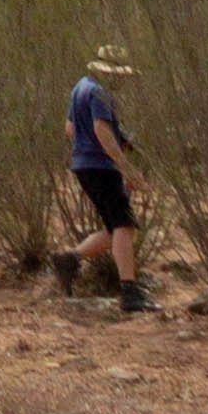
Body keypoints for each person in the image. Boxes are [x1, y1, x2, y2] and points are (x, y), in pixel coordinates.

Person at [66, 56, 148, 312]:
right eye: (119, 75)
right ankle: (130, 293)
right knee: (124, 225)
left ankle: (69, 260)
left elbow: (70, 129)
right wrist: (126, 167)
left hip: (83, 165)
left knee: (116, 229)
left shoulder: (81, 87)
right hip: (101, 167)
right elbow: (102, 129)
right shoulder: (100, 93)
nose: (122, 80)